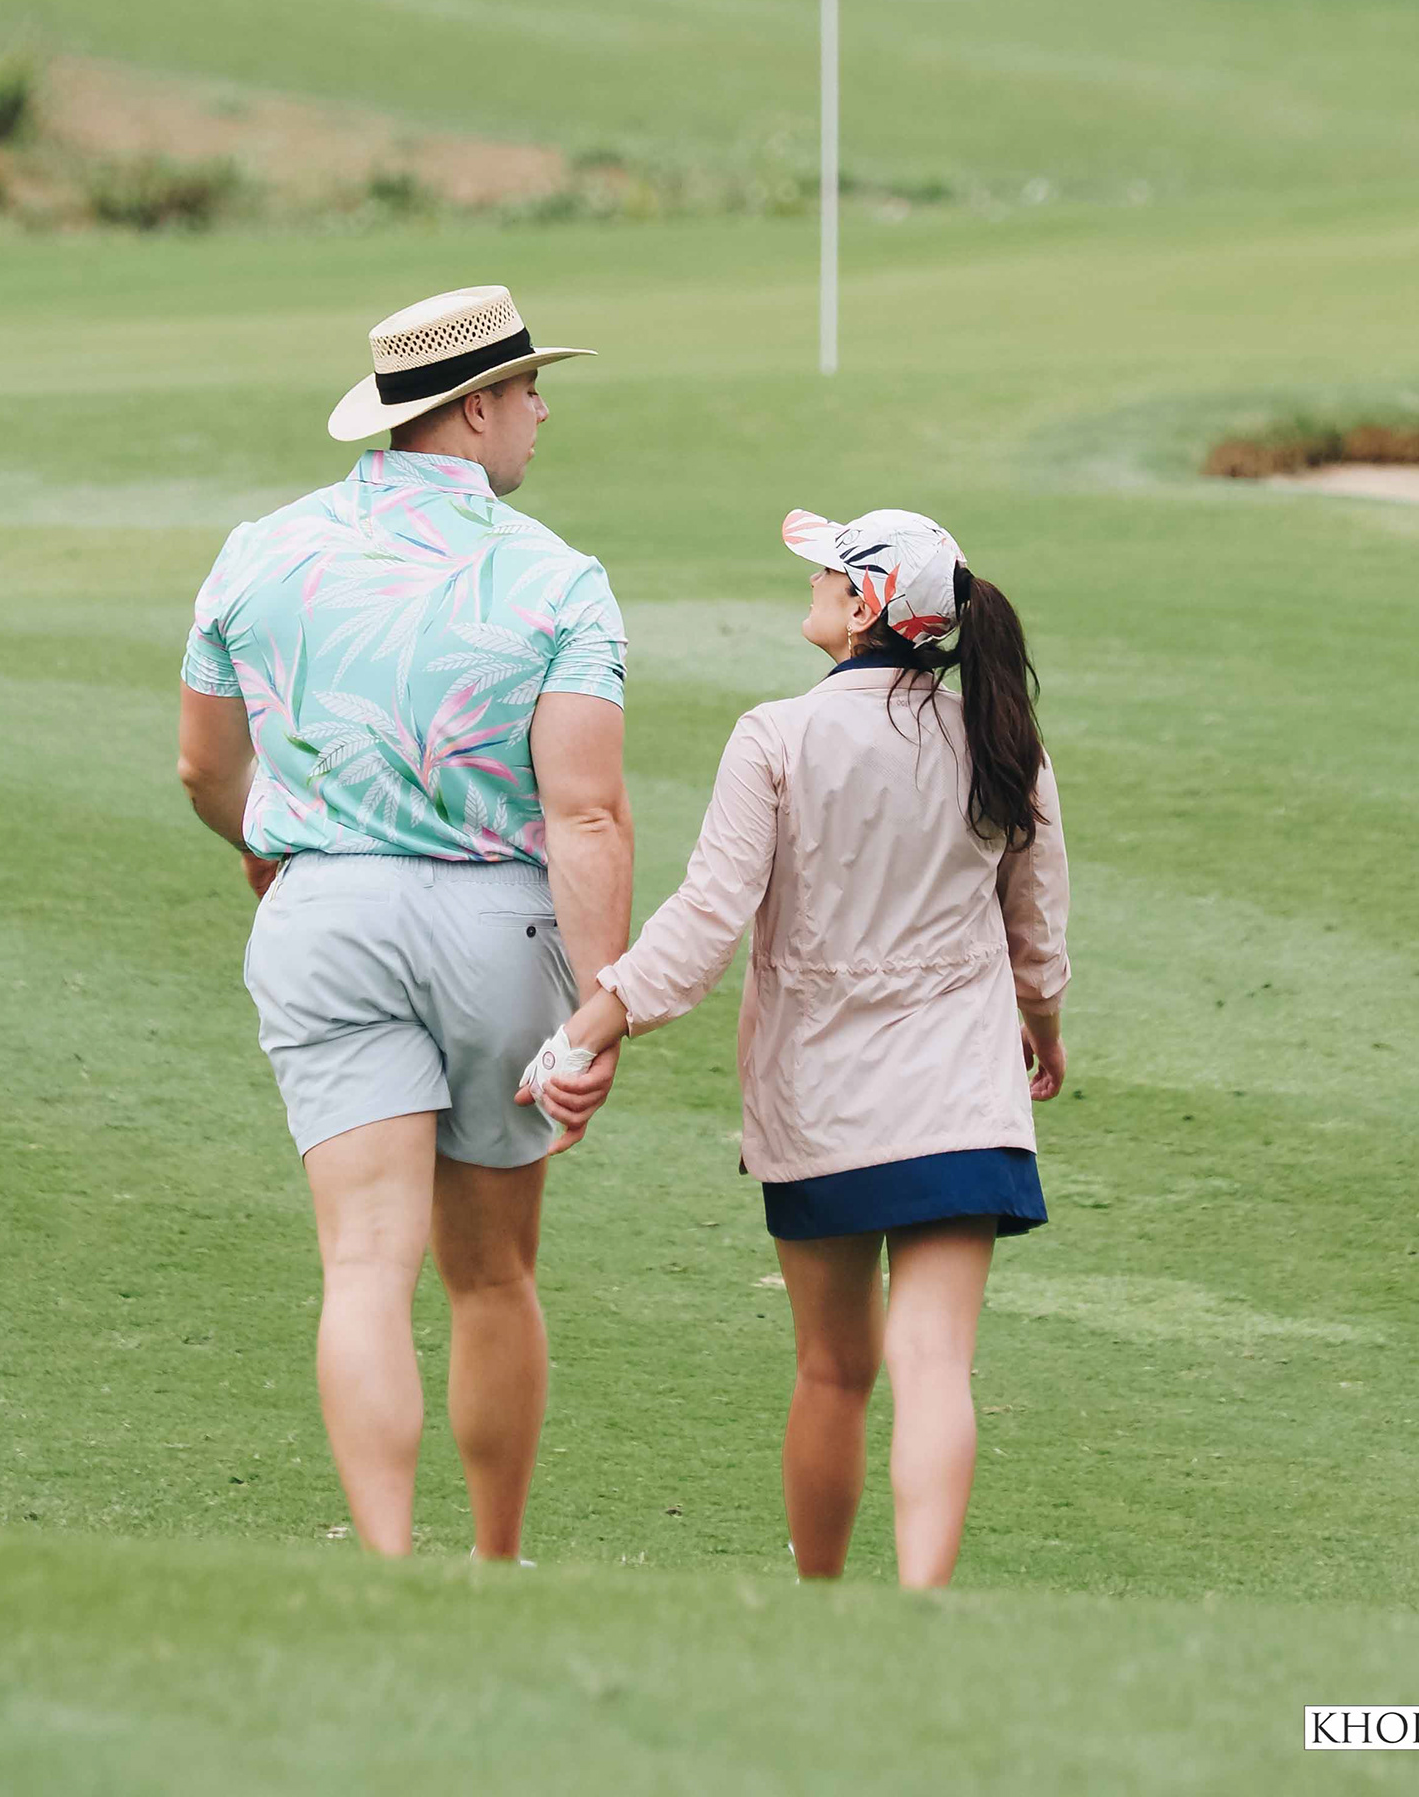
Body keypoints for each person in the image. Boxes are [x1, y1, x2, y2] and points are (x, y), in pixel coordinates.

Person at [175, 284, 632, 1561]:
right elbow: (586, 815)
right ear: (475, 408)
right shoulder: (559, 579)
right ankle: (491, 1560)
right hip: (500, 927)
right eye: (530, 387)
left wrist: (271, 852)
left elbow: (206, 769)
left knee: (364, 1266)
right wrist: (604, 1003)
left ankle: (385, 1561)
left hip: (323, 913)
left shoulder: (260, 548)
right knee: (490, 1273)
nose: (541, 410)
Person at [533, 504, 1069, 1590]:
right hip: (964, 1100)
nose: (815, 579)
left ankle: (819, 1607)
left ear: (867, 604)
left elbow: (704, 917)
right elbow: (1036, 929)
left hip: (822, 1107)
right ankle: (920, 1605)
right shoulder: (1002, 737)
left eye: (832, 567)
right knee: (935, 1367)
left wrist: (594, 1018)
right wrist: (1044, 1028)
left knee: (833, 1372)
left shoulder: (775, 735)